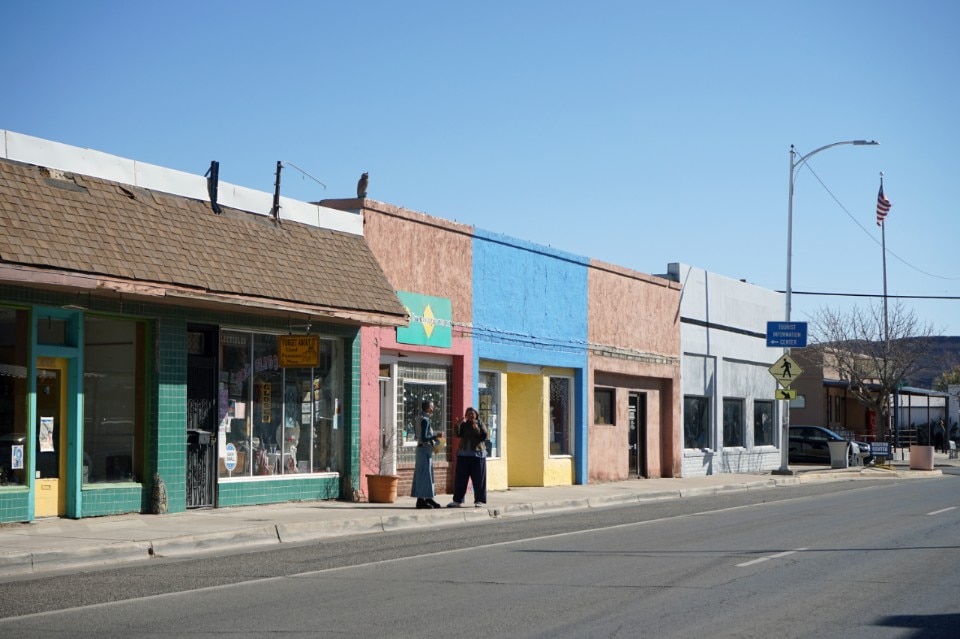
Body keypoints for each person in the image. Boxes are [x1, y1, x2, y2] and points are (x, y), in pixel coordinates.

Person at [448, 407, 488, 508]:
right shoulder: (464, 425)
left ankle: (479, 500)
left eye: (472, 413)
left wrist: (476, 427)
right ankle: (458, 500)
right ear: (466, 415)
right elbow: (457, 434)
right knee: (460, 479)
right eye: (468, 414)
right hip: (463, 455)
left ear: (476, 415)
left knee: (479, 480)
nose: (471, 415)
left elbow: (484, 436)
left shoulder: (480, 423)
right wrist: (457, 425)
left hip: (477, 456)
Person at [411, 399, 443, 509]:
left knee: (425, 475)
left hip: (422, 450)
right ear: (428, 408)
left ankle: (428, 497)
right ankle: (421, 500)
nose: (433, 409)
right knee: (425, 475)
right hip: (424, 449)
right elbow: (424, 437)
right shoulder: (425, 420)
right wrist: (436, 437)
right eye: (432, 407)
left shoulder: (419, 418)